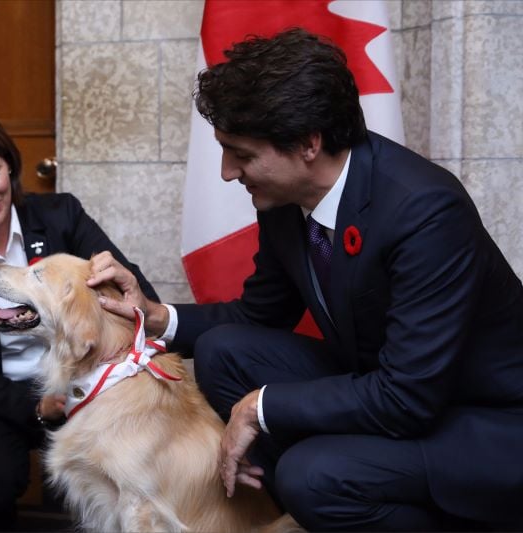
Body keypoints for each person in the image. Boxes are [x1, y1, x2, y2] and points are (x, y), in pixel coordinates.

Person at [88, 28, 523, 531]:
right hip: (392, 388)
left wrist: (259, 408)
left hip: (486, 421)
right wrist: (157, 316)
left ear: (307, 144)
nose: (229, 172)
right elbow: (258, 316)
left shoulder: (424, 210)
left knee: (312, 475)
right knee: (224, 352)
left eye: (242, 154)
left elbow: (408, 397)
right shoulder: (287, 201)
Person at [0, 108, 158, 530]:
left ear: (9, 163)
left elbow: (135, 297)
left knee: (114, 484)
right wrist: (38, 406)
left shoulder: (62, 214)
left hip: (85, 380)